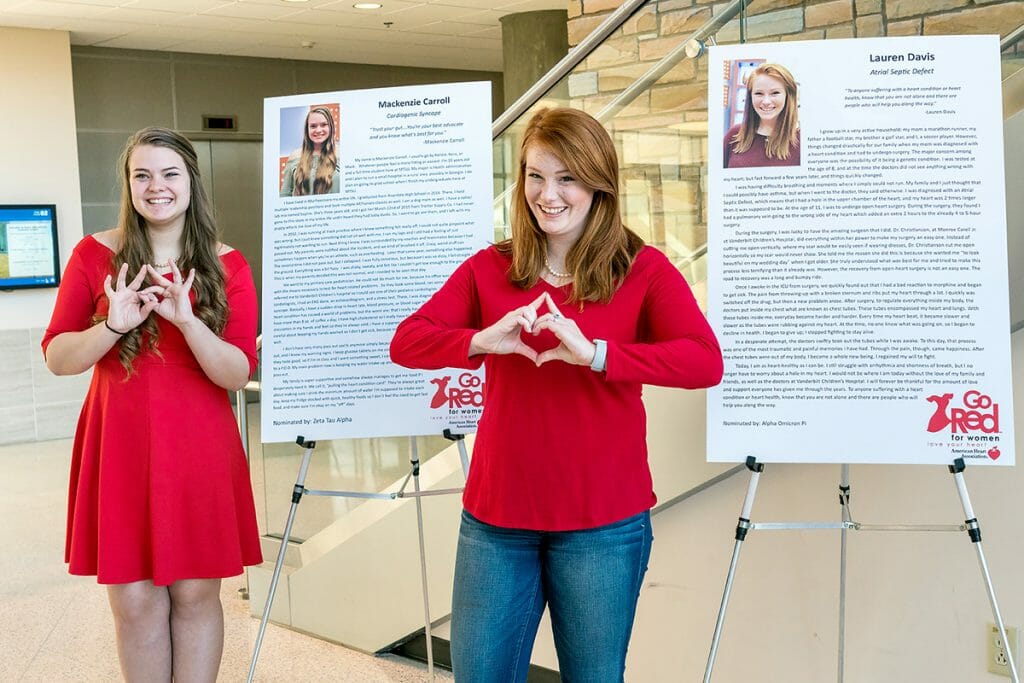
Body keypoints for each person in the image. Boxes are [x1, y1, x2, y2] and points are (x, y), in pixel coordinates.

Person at [390, 107, 723, 681]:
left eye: (567, 178)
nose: (548, 195)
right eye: (536, 176)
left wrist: (598, 354)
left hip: (603, 522)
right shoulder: (490, 268)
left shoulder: (642, 269)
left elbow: (704, 361)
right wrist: (481, 340)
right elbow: (407, 341)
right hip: (497, 520)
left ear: (598, 182)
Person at [42, 127, 262, 682]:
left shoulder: (228, 265)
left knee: (195, 594)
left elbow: (237, 373)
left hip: (199, 449)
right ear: (128, 184)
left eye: (169, 174)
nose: (155, 186)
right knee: (135, 602)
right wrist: (113, 326)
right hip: (119, 447)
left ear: (191, 181)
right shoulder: (94, 255)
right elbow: (58, 357)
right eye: (141, 174)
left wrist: (188, 322)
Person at [724, 62, 800, 168]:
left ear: (788, 95)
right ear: (750, 96)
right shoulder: (734, 134)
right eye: (759, 93)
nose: (766, 101)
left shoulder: (804, 140)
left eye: (775, 93)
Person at [280, 106, 341, 196]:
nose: (318, 130)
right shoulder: (295, 156)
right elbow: (285, 194)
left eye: (324, 125)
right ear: (307, 129)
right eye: (313, 126)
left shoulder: (343, 153)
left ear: (331, 127)